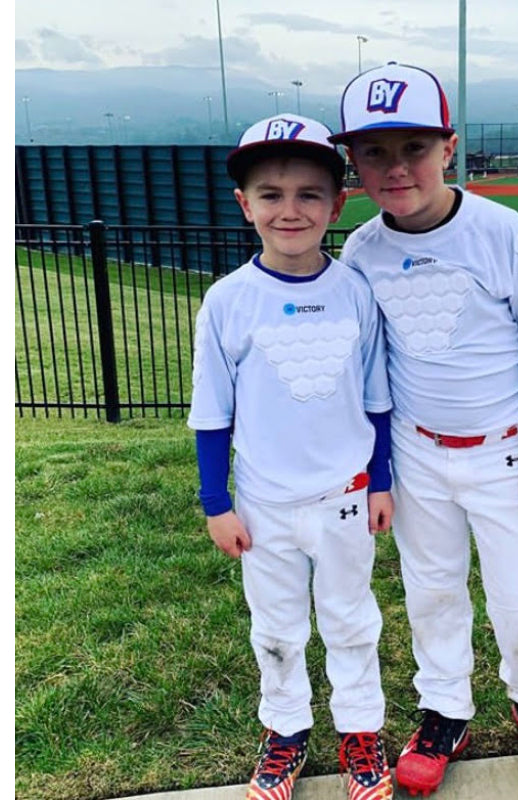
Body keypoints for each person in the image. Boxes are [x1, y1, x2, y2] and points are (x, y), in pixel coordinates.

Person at [328, 62, 518, 796]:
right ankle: (445, 708)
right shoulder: (362, 250)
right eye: (374, 151)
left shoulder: (502, 232)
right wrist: (376, 467)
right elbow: (369, 370)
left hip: (505, 450)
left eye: (414, 147)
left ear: (448, 147)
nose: (395, 167)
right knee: (432, 589)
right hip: (418, 451)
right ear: (353, 163)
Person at [187, 113, 395, 800]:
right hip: (263, 504)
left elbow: (376, 399)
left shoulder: (355, 292)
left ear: (337, 205)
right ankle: (285, 731)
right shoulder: (228, 301)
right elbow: (212, 414)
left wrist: (381, 481)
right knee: (276, 625)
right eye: (270, 194)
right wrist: (216, 502)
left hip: (345, 495)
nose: (290, 210)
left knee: (350, 617)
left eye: (310, 194)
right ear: (244, 204)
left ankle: (360, 730)